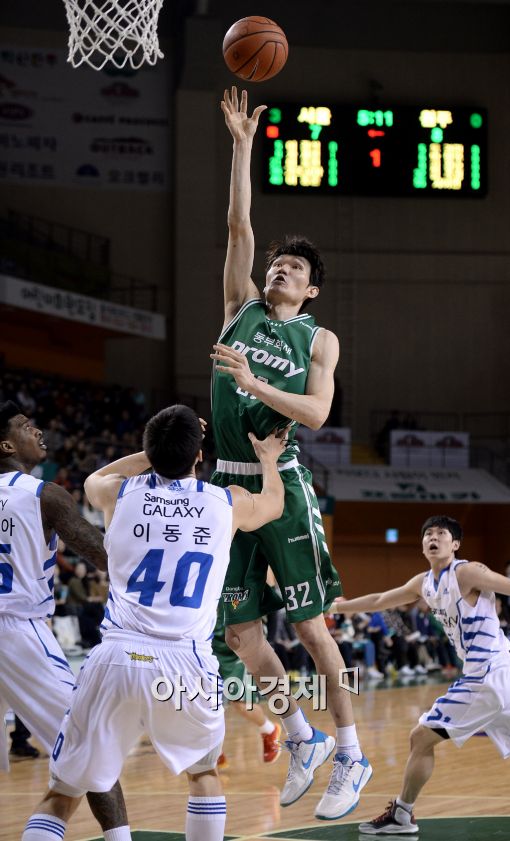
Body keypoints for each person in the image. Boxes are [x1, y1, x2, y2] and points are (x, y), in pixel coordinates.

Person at [209, 87, 371, 820]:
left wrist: (250, 383)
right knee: (242, 632)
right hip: (227, 484)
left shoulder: (319, 339)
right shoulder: (238, 305)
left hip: (284, 483)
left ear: (311, 291)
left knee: (309, 627)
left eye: (293, 270)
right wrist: (243, 144)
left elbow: (317, 411)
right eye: (277, 264)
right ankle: (301, 736)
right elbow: (240, 221)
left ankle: (352, 750)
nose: (279, 270)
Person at [23, 404, 286, 841]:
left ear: (148, 450)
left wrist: (152, 452)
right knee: (203, 775)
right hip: (186, 663)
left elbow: (95, 478)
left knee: (64, 790)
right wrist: (270, 461)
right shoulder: (228, 501)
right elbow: (275, 504)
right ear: (199, 456)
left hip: (117, 656)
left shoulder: (117, 493)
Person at [0, 401, 129, 840]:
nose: (37, 430)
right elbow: (105, 555)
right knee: (92, 745)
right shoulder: (43, 495)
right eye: (24, 426)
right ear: (5, 445)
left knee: (70, 770)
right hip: (17, 632)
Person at [335, 514, 510, 835]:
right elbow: (379, 600)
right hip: (497, 674)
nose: (434, 537)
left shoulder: (468, 572)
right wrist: (336, 608)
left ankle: (401, 815)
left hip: (487, 674)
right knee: (422, 738)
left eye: (442, 533)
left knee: (420, 736)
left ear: (455, 544)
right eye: (428, 533)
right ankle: (402, 814)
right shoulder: (424, 583)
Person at [212, 609, 281, 769]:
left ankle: (269, 730)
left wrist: (271, 640)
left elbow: (273, 607)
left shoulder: (243, 584)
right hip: (207, 644)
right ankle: (213, 749)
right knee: (204, 701)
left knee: (240, 702)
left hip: (237, 647)